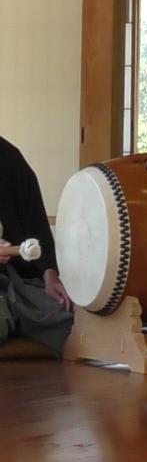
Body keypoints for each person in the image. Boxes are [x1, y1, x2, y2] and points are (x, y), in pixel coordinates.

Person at [0, 134, 72, 355]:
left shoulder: (7, 156)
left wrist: (49, 273)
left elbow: (34, 220)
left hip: (11, 276)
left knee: (65, 317)